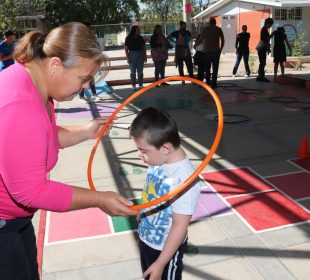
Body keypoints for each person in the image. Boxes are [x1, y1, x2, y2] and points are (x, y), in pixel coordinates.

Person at [0, 22, 138, 280]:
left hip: (13, 221)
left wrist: (85, 131)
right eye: (83, 78)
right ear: (55, 65)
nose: (86, 86)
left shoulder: (34, 83)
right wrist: (99, 199)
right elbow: (31, 191)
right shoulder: (19, 105)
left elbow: (40, 138)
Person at [129, 107, 201, 280]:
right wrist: (144, 212)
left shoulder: (184, 181)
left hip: (165, 250)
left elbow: (179, 226)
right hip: (147, 238)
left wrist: (161, 263)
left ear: (166, 148)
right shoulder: (158, 160)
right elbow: (152, 190)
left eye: (143, 150)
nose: (139, 155)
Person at [168, 21, 194, 85]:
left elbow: (191, 37)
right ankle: (183, 80)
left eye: (185, 25)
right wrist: (174, 42)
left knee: (189, 65)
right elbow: (168, 37)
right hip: (179, 50)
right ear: (181, 26)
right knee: (180, 66)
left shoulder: (187, 32)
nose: (185, 27)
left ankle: (192, 80)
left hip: (186, 50)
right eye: (183, 25)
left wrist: (188, 40)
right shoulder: (176, 33)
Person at [202, 18, 225, 88]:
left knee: (207, 68)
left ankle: (208, 82)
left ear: (209, 23)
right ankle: (214, 83)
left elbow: (201, 39)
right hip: (215, 52)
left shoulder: (205, 29)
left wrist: (197, 45)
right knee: (215, 68)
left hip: (207, 52)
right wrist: (220, 49)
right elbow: (223, 40)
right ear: (215, 22)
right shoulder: (218, 29)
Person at [125, 25, 147, 90]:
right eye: (137, 29)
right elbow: (126, 48)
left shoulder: (140, 37)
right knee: (132, 72)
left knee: (140, 71)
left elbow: (144, 47)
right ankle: (133, 85)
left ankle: (140, 85)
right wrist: (128, 57)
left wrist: (145, 56)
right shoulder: (128, 38)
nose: (139, 30)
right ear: (134, 30)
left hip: (140, 55)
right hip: (132, 55)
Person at [256, 17, 274, 82]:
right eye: (271, 24)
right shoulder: (264, 30)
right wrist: (272, 35)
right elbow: (265, 40)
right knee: (263, 63)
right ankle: (261, 77)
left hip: (261, 49)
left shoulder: (264, 29)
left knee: (262, 63)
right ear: (268, 23)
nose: (271, 26)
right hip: (262, 49)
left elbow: (266, 39)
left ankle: (259, 76)